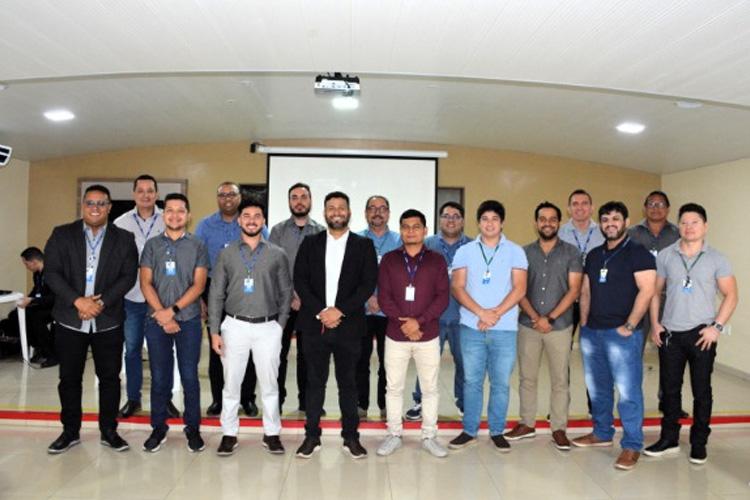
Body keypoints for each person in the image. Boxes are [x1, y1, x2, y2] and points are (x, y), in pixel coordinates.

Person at [43, 185, 138, 454]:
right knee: (69, 378)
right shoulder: (62, 234)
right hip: (70, 318)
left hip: (107, 319)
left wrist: (100, 303)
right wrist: (78, 301)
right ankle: (70, 431)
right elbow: (52, 272)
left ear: (109, 207)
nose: (95, 208)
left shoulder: (124, 238)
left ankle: (109, 431)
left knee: (109, 379)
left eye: (101, 203)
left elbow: (128, 276)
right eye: (90, 203)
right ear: (83, 206)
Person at [643, 203, 737, 465]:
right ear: (679, 226)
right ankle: (669, 439)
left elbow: (731, 295)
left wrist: (716, 327)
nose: (689, 227)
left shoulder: (717, 258)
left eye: (695, 222)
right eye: (684, 222)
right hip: (670, 333)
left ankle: (699, 443)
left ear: (705, 226)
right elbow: (655, 292)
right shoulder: (666, 255)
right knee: (670, 390)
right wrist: (655, 324)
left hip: (701, 335)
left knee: (701, 391)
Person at [293, 191, 378, 459]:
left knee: (349, 383)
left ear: (349, 212)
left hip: (349, 325)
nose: (337, 212)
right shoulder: (310, 243)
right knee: (314, 383)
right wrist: (322, 311)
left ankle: (351, 437)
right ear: (324, 213)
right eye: (331, 208)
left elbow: (367, 284)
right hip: (314, 324)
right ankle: (311, 436)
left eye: (342, 208)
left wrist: (339, 311)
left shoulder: (363, 245)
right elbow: (300, 280)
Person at [572, 201, 656, 471]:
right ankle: (602, 432)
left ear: (626, 222)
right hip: (592, 333)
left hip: (623, 335)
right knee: (598, 389)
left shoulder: (639, 253)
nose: (610, 224)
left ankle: (632, 444)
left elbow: (647, 290)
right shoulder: (594, 255)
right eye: (606, 219)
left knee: (628, 392)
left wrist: (630, 326)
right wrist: (584, 324)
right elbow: (586, 290)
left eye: (616, 219)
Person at [209, 199, 292, 456]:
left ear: (263, 221)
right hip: (234, 326)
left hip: (268, 327)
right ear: (239, 220)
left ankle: (272, 433)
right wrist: (214, 331)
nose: (252, 220)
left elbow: (286, 292)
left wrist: (279, 326)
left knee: (270, 384)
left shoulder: (277, 254)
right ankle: (229, 433)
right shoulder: (226, 254)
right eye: (247, 215)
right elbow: (216, 293)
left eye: (257, 216)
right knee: (231, 384)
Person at [448, 200, 528, 452]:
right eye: (485, 219)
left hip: (504, 329)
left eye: (494, 219)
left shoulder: (516, 251)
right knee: (472, 381)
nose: (489, 223)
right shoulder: (465, 251)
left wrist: (495, 314)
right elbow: (457, 287)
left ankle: (497, 431)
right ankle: (469, 430)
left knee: (500, 383)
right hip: (471, 327)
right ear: (478, 223)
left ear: (502, 223)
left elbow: (520, 289)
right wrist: (481, 312)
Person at [505, 202, 582, 450]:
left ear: (559, 222)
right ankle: (526, 424)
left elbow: (574, 290)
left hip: (560, 327)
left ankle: (559, 428)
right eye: (542, 219)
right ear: (536, 222)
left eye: (552, 219)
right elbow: (518, 289)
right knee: (527, 378)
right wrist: (535, 317)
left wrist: (549, 318)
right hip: (528, 325)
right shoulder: (523, 253)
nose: (547, 223)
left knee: (560, 380)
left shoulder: (571, 252)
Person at [376, 209, 450, 458]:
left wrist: (418, 322)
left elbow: (442, 297)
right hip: (395, 336)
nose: (410, 231)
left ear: (425, 231)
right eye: (406, 227)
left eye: (416, 226)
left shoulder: (437, 260)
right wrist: (405, 324)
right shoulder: (389, 260)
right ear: (400, 230)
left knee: (429, 388)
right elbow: (384, 297)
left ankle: (429, 436)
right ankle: (394, 434)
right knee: (393, 387)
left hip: (427, 335)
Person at [140, 193, 208, 453]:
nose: (175, 215)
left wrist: (173, 311)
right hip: (156, 320)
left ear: (188, 215)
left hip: (188, 320)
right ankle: (158, 427)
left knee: (190, 376)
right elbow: (145, 282)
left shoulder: (198, 245)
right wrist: (162, 313)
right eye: (170, 210)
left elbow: (199, 285)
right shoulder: (152, 245)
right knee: (159, 376)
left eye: (181, 211)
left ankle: (193, 429)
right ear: (163, 214)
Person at [114, 175, 179, 419]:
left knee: (162, 351)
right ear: (134, 194)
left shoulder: (167, 219)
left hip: (161, 299)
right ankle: (133, 399)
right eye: (140, 191)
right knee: (132, 350)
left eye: (150, 190)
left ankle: (165, 399)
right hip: (131, 297)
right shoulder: (120, 223)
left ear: (156, 194)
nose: (145, 195)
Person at [195, 182, 258, 417]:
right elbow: (197, 262)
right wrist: (201, 297)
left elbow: (266, 254)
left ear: (240, 197)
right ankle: (218, 400)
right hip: (214, 288)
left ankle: (247, 398)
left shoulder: (252, 221)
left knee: (249, 346)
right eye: (222, 194)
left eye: (232, 194)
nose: (227, 198)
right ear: (217, 198)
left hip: (246, 289)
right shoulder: (205, 225)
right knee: (217, 346)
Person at [405, 201, 472, 421]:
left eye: (456, 216)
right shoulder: (427, 244)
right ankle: (420, 402)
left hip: (464, 317)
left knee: (464, 364)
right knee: (427, 364)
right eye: (446, 216)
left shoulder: (473, 246)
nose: (451, 220)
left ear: (462, 220)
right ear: (439, 219)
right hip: (432, 316)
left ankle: (464, 404)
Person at [269, 182, 325, 415]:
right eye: (294, 197)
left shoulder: (321, 231)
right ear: (289, 202)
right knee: (277, 355)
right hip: (282, 303)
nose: (299, 201)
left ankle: (307, 402)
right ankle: (276, 402)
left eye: (303, 197)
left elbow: (323, 270)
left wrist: (306, 297)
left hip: (311, 305)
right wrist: (291, 295)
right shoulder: (277, 231)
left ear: (310, 201)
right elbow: (273, 267)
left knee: (309, 356)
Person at [627, 190, 685, 416]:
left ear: (668, 209)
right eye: (651, 204)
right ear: (645, 208)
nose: (655, 208)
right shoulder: (632, 233)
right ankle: (632, 401)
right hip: (638, 300)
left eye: (660, 204)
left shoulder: (678, 234)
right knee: (633, 354)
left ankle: (668, 401)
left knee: (670, 356)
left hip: (670, 302)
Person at [559, 188, 605, 415]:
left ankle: (594, 406)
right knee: (560, 355)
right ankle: (560, 406)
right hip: (566, 301)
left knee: (594, 355)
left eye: (584, 203)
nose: (580, 207)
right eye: (575, 204)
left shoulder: (603, 232)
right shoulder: (560, 232)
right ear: (569, 209)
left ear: (591, 207)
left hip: (595, 301)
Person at [357, 195, 401, 419]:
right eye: (372, 208)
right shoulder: (355, 240)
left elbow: (402, 277)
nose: (377, 212)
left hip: (390, 313)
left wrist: (381, 299)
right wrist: (368, 298)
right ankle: (360, 405)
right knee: (360, 361)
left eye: (382, 208)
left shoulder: (399, 241)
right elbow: (350, 276)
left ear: (389, 213)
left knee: (389, 363)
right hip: (361, 311)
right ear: (366, 213)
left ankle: (387, 406)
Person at [19, 247, 56, 367]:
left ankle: (52, 355)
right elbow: (36, 290)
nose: (26, 267)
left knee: (36, 318)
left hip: (57, 306)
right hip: (43, 303)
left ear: (34, 262)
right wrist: (28, 299)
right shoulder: (37, 274)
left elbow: (54, 297)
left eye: (26, 264)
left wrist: (32, 300)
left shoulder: (52, 273)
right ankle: (39, 347)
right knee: (18, 314)